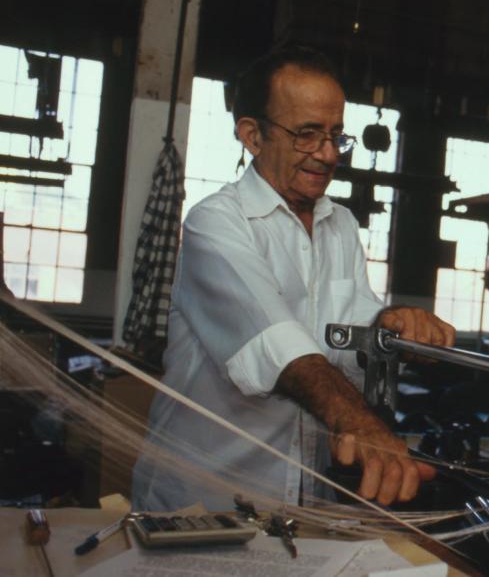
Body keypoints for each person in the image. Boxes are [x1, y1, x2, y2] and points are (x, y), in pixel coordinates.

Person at [132, 46, 455, 511]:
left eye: (335, 135)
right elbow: (278, 345)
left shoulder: (340, 225)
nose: (327, 154)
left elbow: (347, 329)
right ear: (252, 134)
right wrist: (361, 426)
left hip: (300, 502)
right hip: (204, 500)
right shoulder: (217, 223)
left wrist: (391, 324)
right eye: (307, 135)